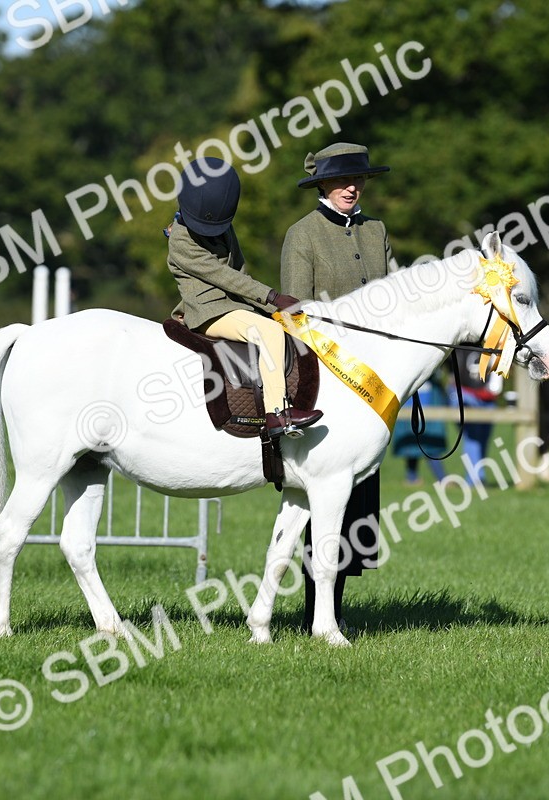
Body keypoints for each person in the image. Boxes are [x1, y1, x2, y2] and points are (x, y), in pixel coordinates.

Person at [280, 142, 393, 632]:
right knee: (321, 505)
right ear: (322, 184)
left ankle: (335, 611)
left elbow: (395, 300)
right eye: (344, 180)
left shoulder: (377, 230)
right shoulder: (301, 235)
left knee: (354, 510)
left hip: (372, 392)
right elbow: (294, 314)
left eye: (360, 179)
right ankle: (315, 617)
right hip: (323, 385)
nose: (353, 187)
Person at [167, 157, 322, 439]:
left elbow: (239, 269)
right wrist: (273, 296)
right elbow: (223, 276)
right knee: (270, 332)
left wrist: (266, 305)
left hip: (234, 307)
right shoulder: (179, 240)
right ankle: (278, 413)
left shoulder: (225, 226)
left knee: (282, 325)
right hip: (207, 312)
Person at [446, 349, 503, 486]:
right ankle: (474, 479)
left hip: (488, 398)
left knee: (483, 437)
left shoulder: (494, 345)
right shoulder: (460, 345)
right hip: (465, 394)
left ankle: (478, 477)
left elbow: (495, 386)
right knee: (473, 436)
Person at [391, 374, 448, 486]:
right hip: (411, 404)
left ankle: (440, 478)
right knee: (412, 443)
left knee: (429, 443)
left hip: (427, 402)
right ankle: (413, 478)